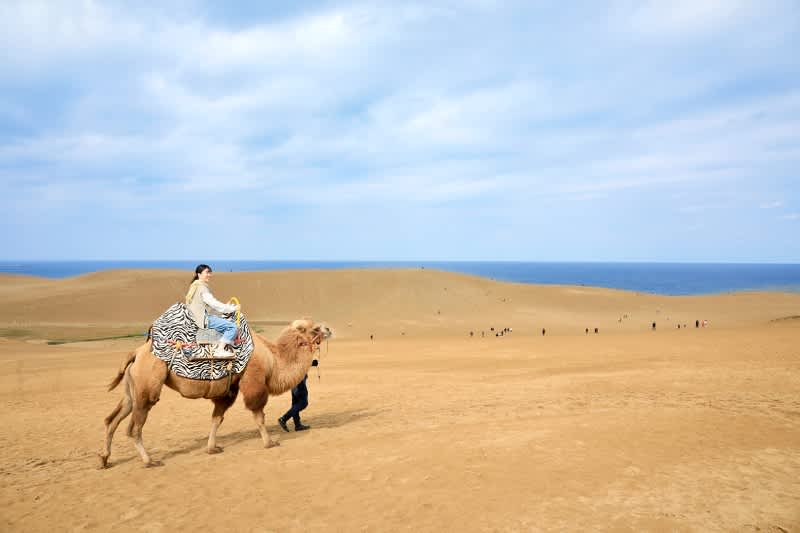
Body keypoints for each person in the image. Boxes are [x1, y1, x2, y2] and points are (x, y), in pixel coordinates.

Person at [185, 264, 240, 358]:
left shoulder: (194, 286)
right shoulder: (202, 288)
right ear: (199, 274)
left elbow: (208, 307)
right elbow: (213, 303)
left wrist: (225, 307)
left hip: (195, 317)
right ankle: (220, 350)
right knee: (232, 326)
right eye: (207, 272)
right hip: (202, 319)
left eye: (210, 272)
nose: (209, 275)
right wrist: (232, 308)